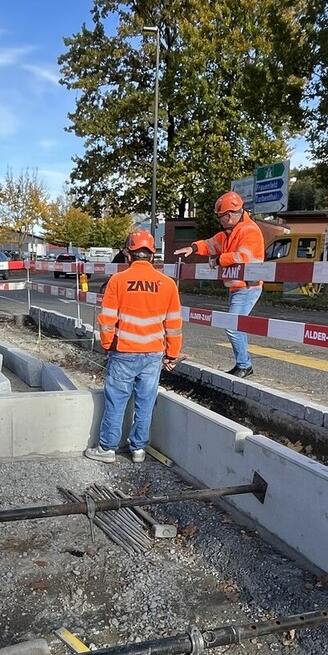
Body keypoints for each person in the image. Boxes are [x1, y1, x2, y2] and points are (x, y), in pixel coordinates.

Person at [84, 229, 182, 464]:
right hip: (153, 354)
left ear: (128, 253)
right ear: (152, 255)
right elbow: (174, 324)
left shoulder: (117, 281)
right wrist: (172, 354)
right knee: (145, 401)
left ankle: (107, 448)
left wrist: (108, 345)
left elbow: (107, 320)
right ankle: (138, 449)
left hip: (124, 352)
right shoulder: (167, 284)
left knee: (116, 400)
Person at [175, 190, 265, 376]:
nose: (219, 221)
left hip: (248, 286)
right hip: (238, 287)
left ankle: (244, 365)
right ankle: (243, 364)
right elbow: (209, 244)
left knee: (232, 326)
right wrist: (192, 248)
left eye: (220, 217)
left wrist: (218, 260)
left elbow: (243, 257)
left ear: (230, 216)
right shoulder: (228, 233)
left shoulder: (250, 231)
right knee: (237, 325)